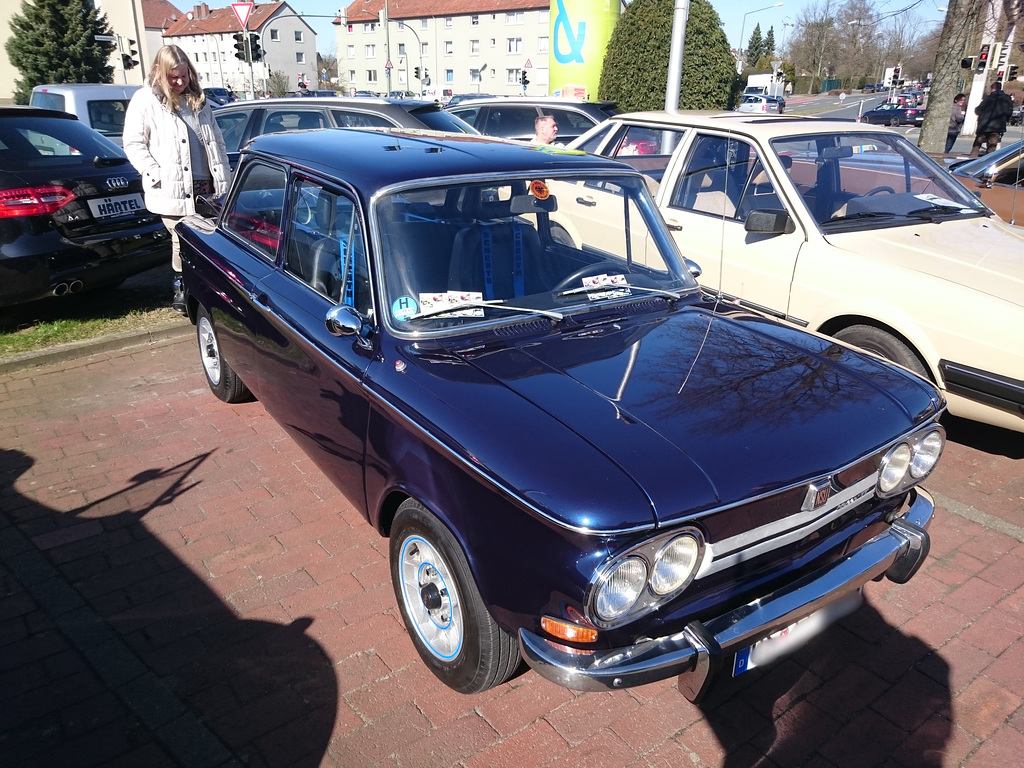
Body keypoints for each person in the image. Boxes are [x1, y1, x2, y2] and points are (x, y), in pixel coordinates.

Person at [123, 45, 231, 314]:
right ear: (159, 72)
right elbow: (134, 143)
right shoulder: (145, 100)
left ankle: (208, 288)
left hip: (207, 186)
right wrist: (155, 173)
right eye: (174, 77)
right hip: (171, 187)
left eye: (184, 76)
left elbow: (217, 141)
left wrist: (224, 178)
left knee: (210, 239)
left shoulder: (199, 100)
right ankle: (181, 286)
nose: (180, 82)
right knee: (181, 239)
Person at [969, 81, 1014, 158]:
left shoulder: (989, 98)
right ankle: (988, 161)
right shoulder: (1007, 99)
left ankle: (971, 159)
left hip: (985, 125)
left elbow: (978, 109)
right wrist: (1004, 120)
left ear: (993, 88)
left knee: (977, 144)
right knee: (992, 146)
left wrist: (981, 115)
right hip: (998, 126)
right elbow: (1009, 112)